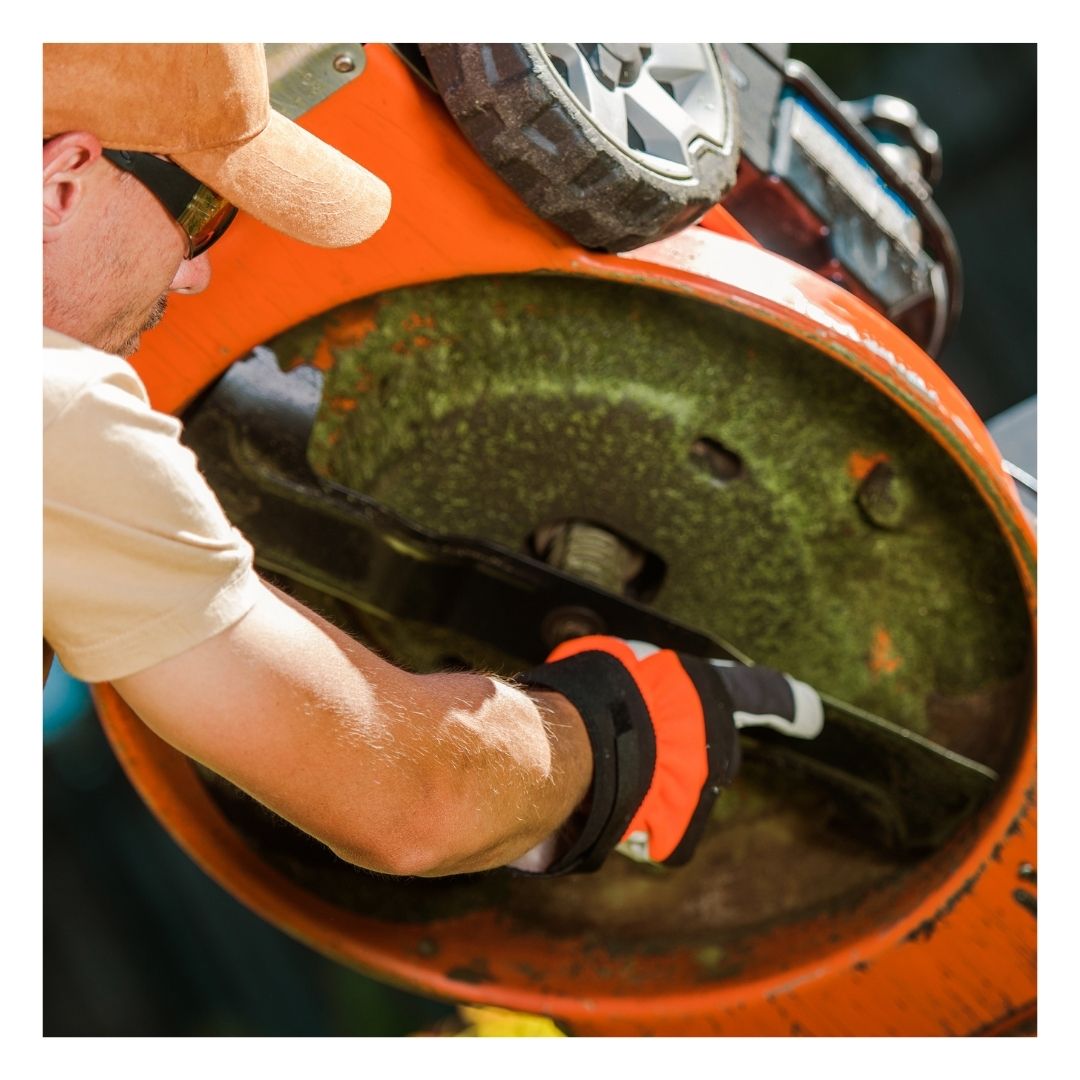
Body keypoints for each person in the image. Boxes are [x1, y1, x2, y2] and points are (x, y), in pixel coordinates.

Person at [44, 43, 788, 881]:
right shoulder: (54, 408)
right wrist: (617, 729)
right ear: (61, 182)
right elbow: (416, 799)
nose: (195, 271)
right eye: (203, 215)